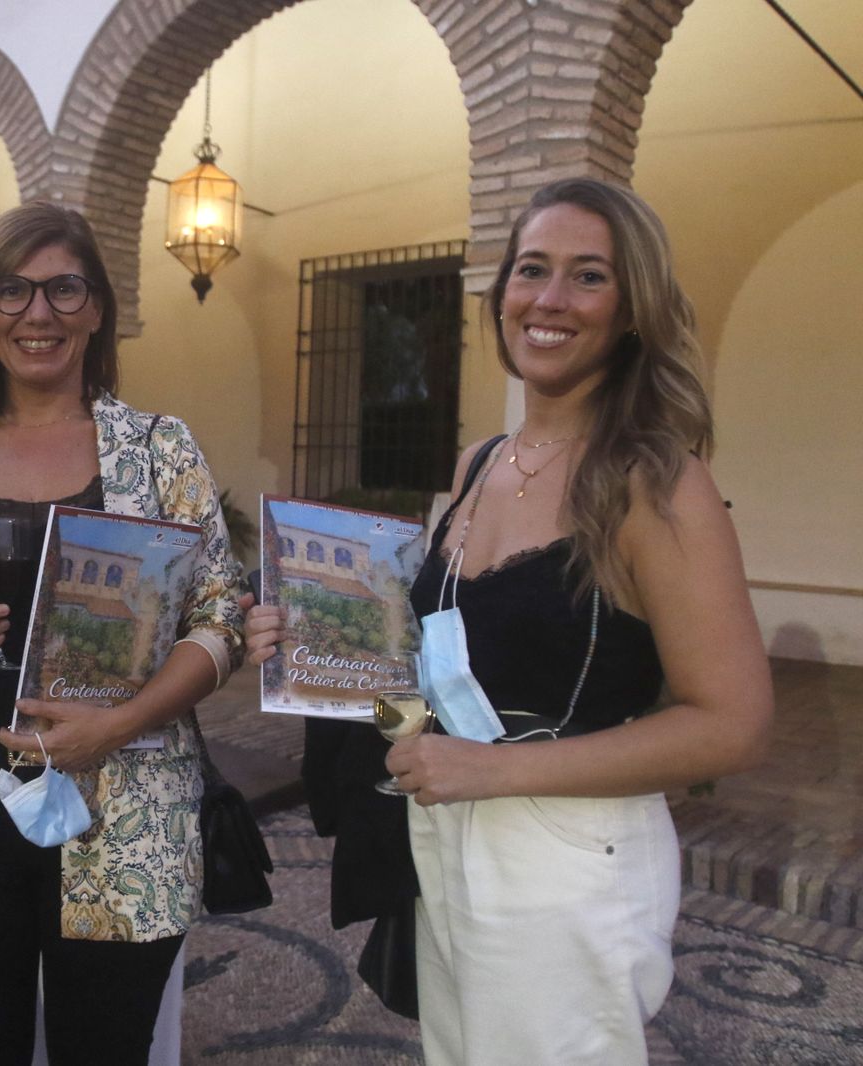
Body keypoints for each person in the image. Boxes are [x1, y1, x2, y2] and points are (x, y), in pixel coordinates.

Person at [245, 178, 772, 1065]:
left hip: (567, 860)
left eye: (589, 276)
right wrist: (321, 656)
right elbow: (431, 690)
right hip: (446, 829)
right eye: (532, 269)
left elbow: (733, 724)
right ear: (501, 298)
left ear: (633, 308)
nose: (550, 299)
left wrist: (493, 772)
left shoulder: (654, 480)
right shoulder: (479, 464)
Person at [0, 201, 245, 1066]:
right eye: (13, 291)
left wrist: (117, 724)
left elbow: (220, 614)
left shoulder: (161, 452)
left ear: (98, 309)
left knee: (106, 1047)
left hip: (124, 793)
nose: (38, 315)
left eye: (63, 289)